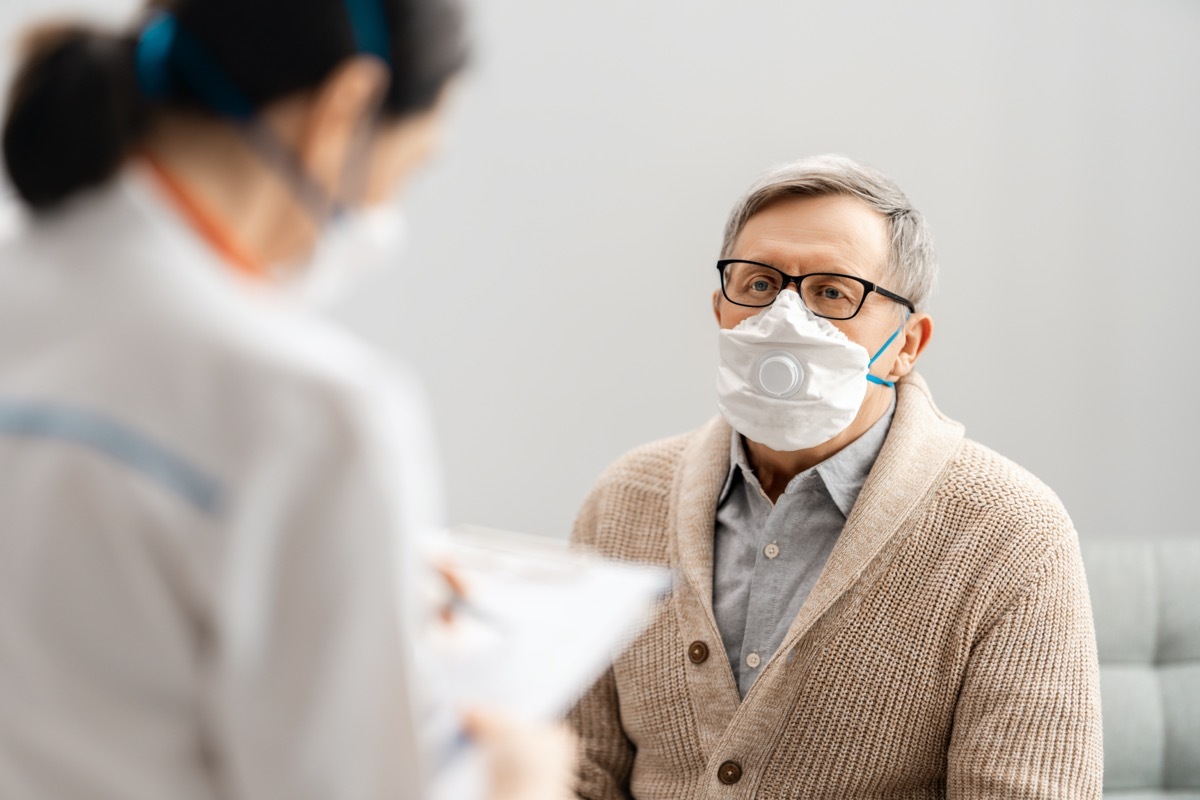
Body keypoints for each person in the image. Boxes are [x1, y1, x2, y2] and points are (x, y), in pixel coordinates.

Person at [0, 1, 573, 799]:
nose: (382, 216)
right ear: (345, 107)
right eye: (406, 168)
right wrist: (512, 783)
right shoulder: (304, 408)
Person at [567, 154, 1103, 799]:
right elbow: (573, 769)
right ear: (720, 309)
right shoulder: (626, 500)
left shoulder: (1012, 535)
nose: (786, 319)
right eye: (760, 284)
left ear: (907, 344)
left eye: (832, 293)